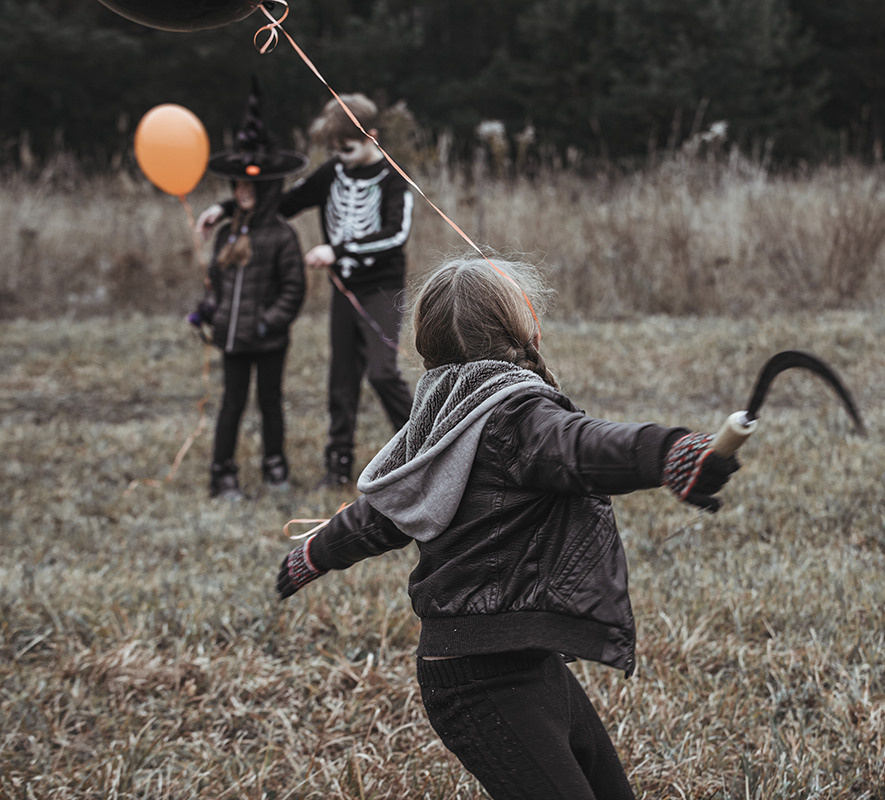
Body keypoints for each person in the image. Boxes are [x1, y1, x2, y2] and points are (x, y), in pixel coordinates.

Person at [274, 255, 740, 799]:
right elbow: (584, 446)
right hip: (479, 681)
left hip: (529, 663)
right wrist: (670, 454)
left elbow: (373, 518)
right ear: (518, 327)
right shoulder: (515, 418)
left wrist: (311, 555)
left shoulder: (437, 416)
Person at [202, 93, 415, 490]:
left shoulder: (394, 181)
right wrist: (229, 209)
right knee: (341, 377)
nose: (341, 155)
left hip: (381, 289)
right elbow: (284, 202)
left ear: (372, 136)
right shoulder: (331, 172)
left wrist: (338, 249)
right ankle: (337, 464)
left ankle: (424, 448)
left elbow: (394, 235)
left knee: (382, 372)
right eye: (334, 149)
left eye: (348, 147)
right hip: (343, 289)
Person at [193, 81, 308, 500]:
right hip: (231, 338)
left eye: (250, 187)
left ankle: (275, 467)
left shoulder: (281, 236)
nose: (242, 192)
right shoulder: (226, 233)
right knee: (231, 406)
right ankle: (222, 474)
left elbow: (294, 290)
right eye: (237, 186)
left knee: (270, 403)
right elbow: (218, 284)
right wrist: (207, 310)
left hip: (267, 339)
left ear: (265, 190)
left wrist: (267, 323)